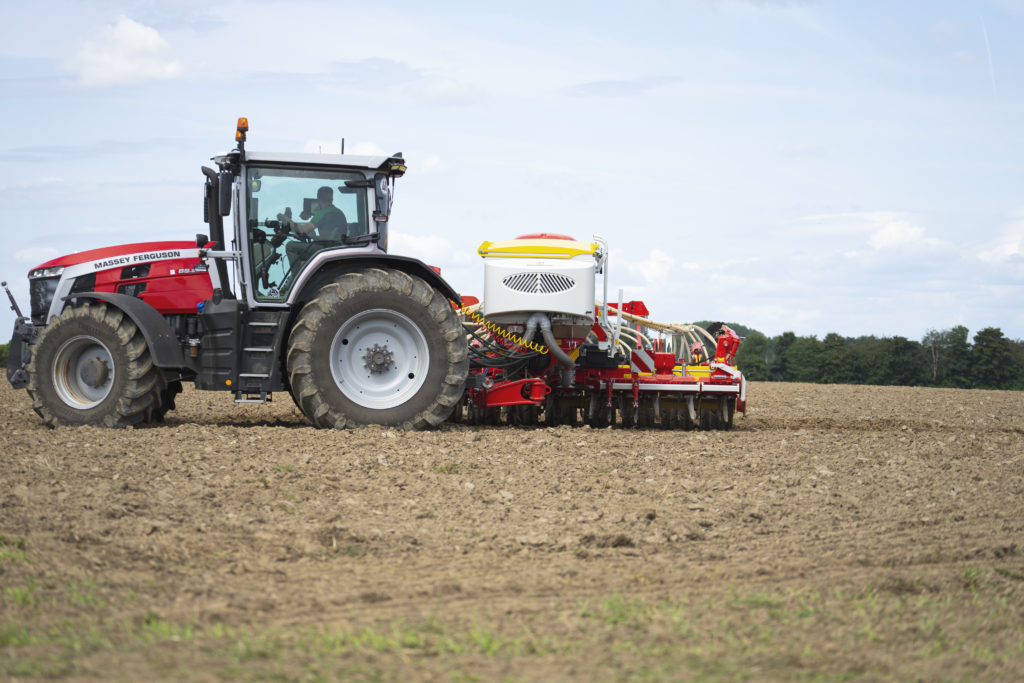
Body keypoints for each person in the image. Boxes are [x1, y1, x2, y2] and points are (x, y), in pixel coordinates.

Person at [280, 186, 348, 241]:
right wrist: (314, 237)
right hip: (337, 246)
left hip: (326, 247)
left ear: (318, 199)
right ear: (332, 199)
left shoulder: (322, 213)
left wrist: (286, 218)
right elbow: (330, 236)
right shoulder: (339, 212)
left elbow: (301, 230)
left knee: (290, 246)